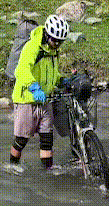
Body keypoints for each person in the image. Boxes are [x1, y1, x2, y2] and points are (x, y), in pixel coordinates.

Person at [9, 14, 70, 170]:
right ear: (47, 35)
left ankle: (48, 173)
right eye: (54, 40)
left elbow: (52, 73)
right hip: (27, 100)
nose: (57, 44)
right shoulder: (32, 47)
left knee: (47, 140)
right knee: (21, 140)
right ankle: (12, 166)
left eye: (60, 42)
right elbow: (21, 70)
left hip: (45, 101)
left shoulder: (54, 51)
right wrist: (34, 88)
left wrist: (61, 80)